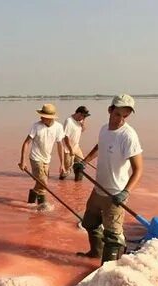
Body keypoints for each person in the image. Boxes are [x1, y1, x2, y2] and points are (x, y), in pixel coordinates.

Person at [77, 94, 144, 262]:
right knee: (89, 223)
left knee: (112, 236)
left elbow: (138, 169)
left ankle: (107, 270)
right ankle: (95, 252)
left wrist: (125, 192)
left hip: (115, 194)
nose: (120, 119)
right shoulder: (104, 129)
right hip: (98, 189)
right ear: (110, 110)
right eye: (117, 114)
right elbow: (100, 145)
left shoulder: (128, 136)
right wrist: (84, 161)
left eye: (125, 116)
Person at [18, 103, 66, 209]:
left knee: (40, 183)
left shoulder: (58, 127)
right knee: (44, 183)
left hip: (46, 160)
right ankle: (42, 207)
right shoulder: (36, 126)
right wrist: (23, 161)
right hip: (35, 158)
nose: (41, 117)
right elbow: (26, 143)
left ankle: (30, 203)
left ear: (50, 118)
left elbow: (60, 146)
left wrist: (62, 164)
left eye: (43, 116)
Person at [60, 106, 90, 181]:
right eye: (83, 116)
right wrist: (70, 149)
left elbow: (83, 129)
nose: (83, 118)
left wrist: (83, 121)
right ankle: (61, 183)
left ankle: (77, 181)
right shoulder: (69, 121)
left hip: (76, 147)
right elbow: (65, 137)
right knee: (66, 171)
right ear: (79, 113)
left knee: (81, 164)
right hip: (67, 148)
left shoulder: (80, 121)